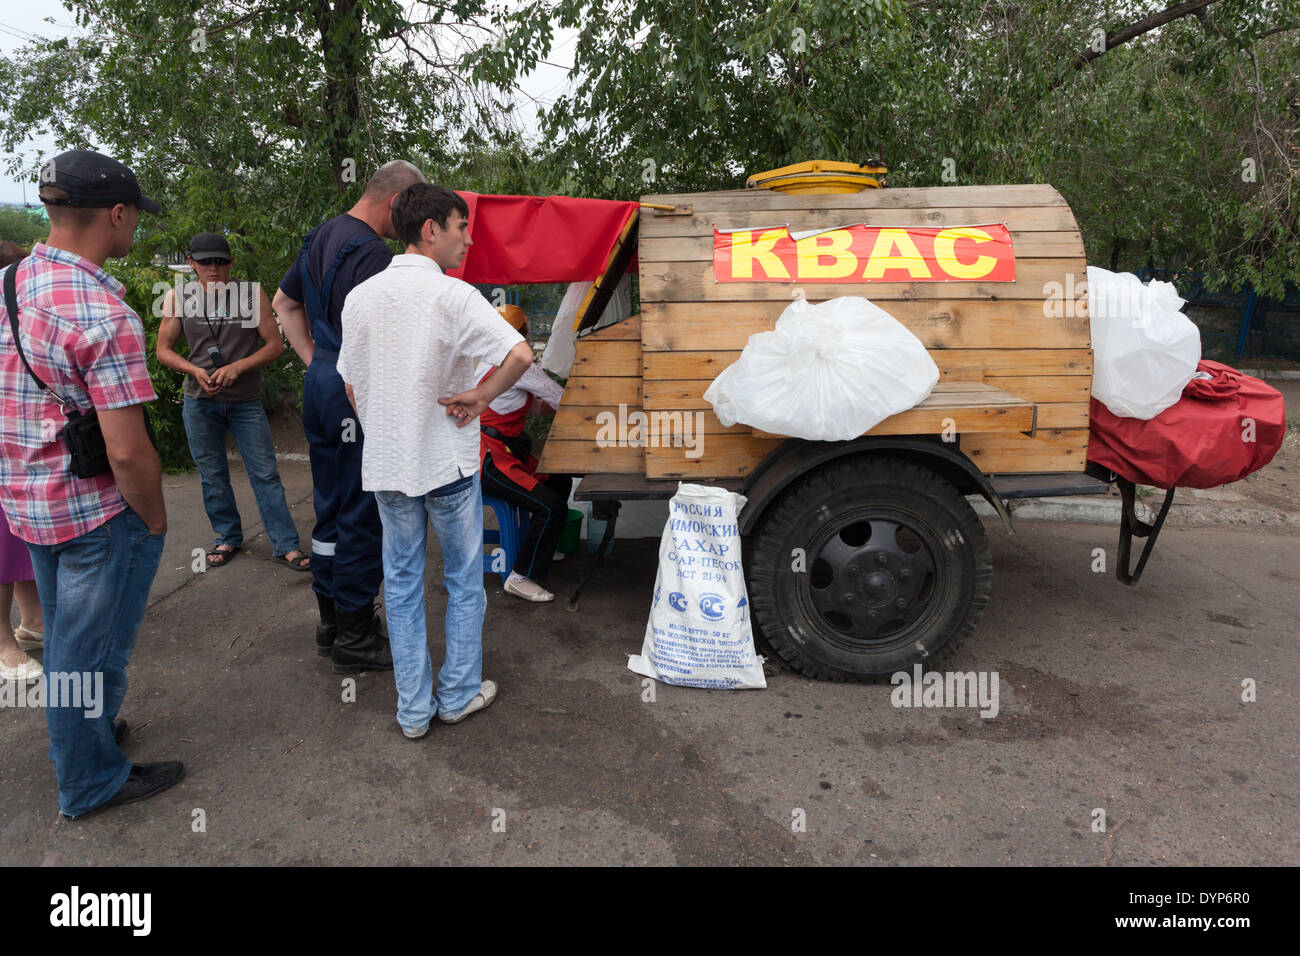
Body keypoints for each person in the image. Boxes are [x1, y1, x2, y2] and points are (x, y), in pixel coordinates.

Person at [0, 149, 182, 818]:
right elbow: (128, 452)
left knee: (71, 643)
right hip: (91, 513)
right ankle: (89, 780)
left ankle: (91, 735)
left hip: (26, 498)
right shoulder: (102, 315)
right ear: (116, 214)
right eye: (135, 214)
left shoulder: (10, 282)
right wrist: (156, 520)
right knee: (89, 651)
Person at [337, 182, 533, 739]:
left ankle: (413, 712)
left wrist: (387, 429)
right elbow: (519, 354)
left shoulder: (361, 298)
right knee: (464, 580)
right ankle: (459, 693)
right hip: (447, 463)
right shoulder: (457, 296)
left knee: (399, 584)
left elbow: (351, 384)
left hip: (389, 467)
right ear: (431, 230)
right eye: (461, 227)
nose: (467, 240)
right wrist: (481, 397)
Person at [273, 160, 427, 672]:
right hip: (354, 395)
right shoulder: (372, 253)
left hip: (320, 388)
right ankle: (356, 635)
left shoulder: (319, 235)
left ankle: (330, 621)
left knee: (330, 507)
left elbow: (283, 303)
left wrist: (317, 361)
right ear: (393, 202)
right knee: (363, 511)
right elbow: (388, 341)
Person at [155, 232, 308, 570]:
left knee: (265, 473)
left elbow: (274, 345)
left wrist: (239, 366)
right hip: (199, 399)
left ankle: (285, 544)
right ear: (192, 263)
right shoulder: (178, 297)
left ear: (231, 263)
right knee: (212, 474)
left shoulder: (251, 294)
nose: (214, 267)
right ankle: (227, 537)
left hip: (245, 401)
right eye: (206, 261)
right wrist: (193, 370)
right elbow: (163, 350)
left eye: (221, 261)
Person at [476, 304, 573, 603]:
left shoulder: (484, 359)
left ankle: (541, 546)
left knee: (558, 480)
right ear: (523, 333)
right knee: (551, 506)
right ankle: (521, 576)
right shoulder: (518, 362)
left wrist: (554, 408)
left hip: (503, 451)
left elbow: (520, 404)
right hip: (491, 460)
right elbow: (558, 397)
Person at [0, 240, 45, 682]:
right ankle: (2, 643)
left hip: (18, 449)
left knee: (19, 540)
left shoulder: (23, 318)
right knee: (1, 542)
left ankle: (32, 623)